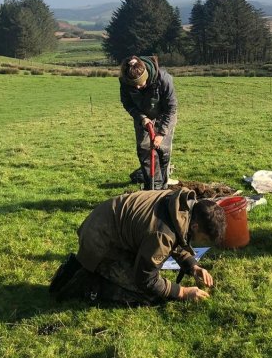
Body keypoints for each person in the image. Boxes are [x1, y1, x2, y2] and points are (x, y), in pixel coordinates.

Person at [50, 188, 226, 305]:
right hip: (100, 243)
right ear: (195, 226)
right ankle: (84, 282)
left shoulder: (181, 205)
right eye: (202, 239)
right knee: (149, 295)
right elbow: (146, 279)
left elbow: (178, 234)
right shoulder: (162, 235)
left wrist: (192, 266)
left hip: (107, 227)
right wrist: (182, 292)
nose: (200, 243)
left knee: (152, 278)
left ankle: (89, 268)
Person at [119, 55, 178, 190]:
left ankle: (162, 186)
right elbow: (127, 103)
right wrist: (141, 118)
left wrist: (161, 133)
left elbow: (171, 107)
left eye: (141, 83)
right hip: (143, 117)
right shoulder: (124, 81)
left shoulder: (163, 79)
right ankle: (152, 186)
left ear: (146, 74)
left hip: (164, 115)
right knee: (144, 149)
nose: (138, 87)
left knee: (163, 150)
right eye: (135, 85)